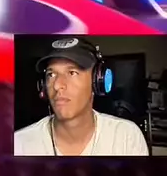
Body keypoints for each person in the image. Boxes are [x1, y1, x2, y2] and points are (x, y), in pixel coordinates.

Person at [14, 37, 149, 156]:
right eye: (51, 74)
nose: (57, 85)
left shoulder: (127, 137)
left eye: (72, 73)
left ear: (97, 81)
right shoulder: (19, 144)